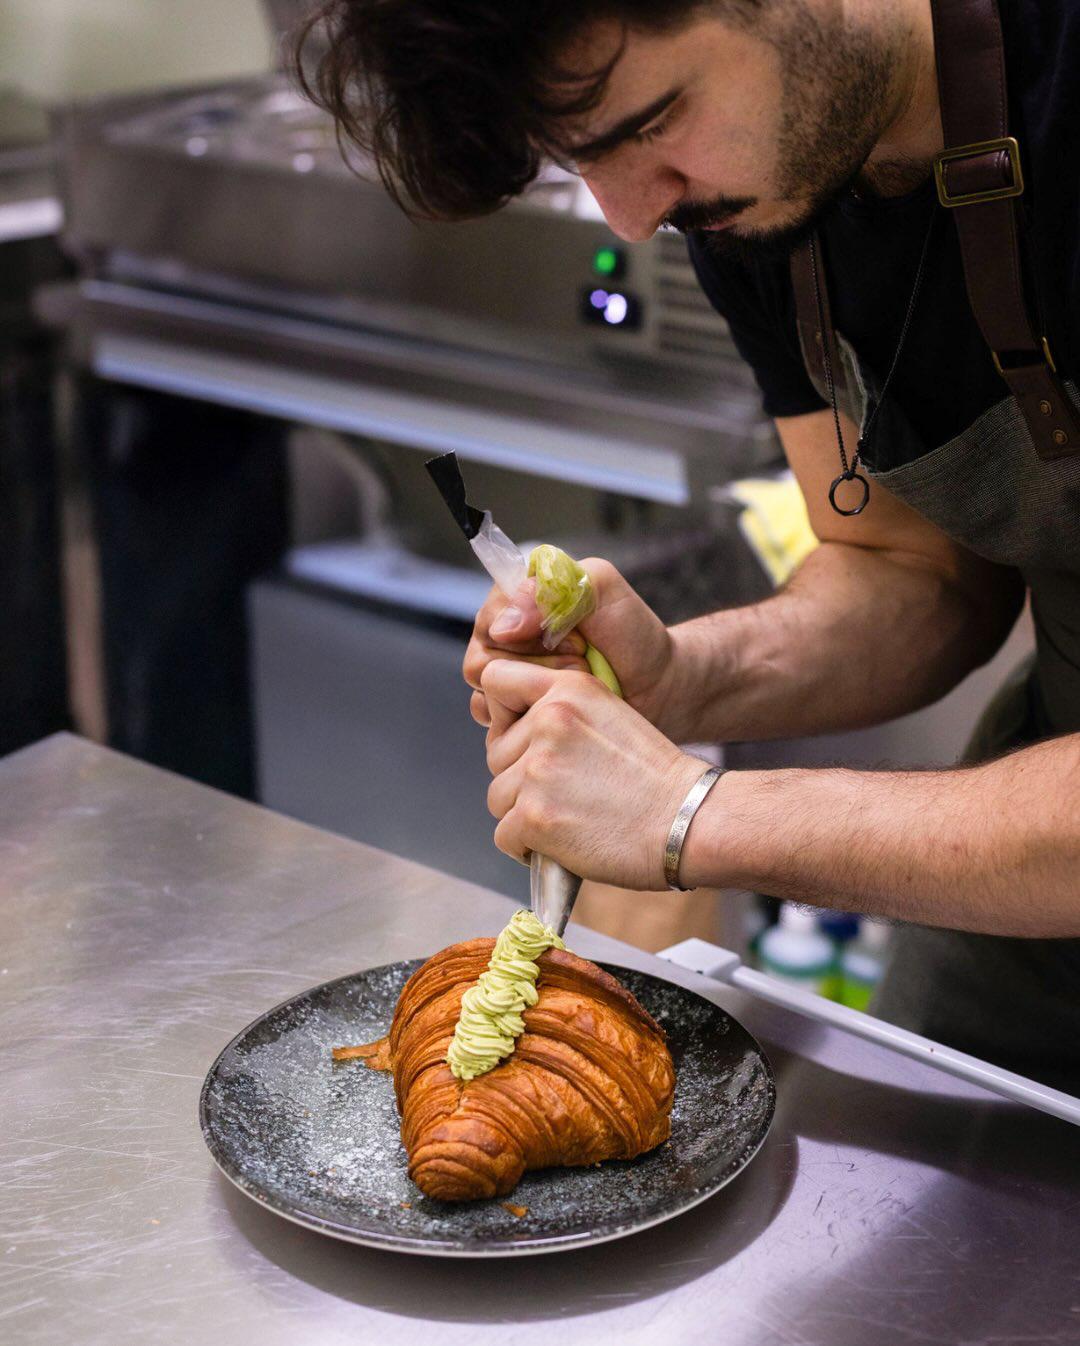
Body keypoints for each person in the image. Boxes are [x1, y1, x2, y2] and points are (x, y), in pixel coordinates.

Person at [296, 0, 1080, 1089]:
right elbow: (917, 569)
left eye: (652, 121)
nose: (634, 210)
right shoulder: (761, 200)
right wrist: (680, 677)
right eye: (583, 160)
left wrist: (692, 814)